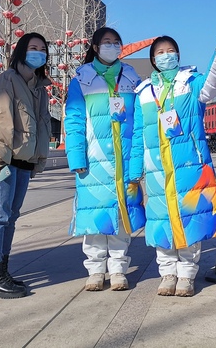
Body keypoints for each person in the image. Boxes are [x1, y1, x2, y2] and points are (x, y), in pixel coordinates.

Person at [132, 32, 216, 297]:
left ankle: (187, 275)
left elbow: (214, 83)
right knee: (161, 222)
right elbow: (137, 133)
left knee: (190, 222)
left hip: (189, 166)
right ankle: (167, 273)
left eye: (170, 50)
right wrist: (134, 170)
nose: (166, 55)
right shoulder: (143, 92)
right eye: (160, 52)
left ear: (178, 55)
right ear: (153, 59)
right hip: (157, 171)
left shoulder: (191, 82)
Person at [64, 27, 145, 292]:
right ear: (96, 47)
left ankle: (119, 268)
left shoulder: (132, 78)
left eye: (116, 42)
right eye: (106, 42)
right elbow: (74, 119)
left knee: (122, 216)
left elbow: (140, 123)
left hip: (125, 158)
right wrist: (76, 156)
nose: (112, 46)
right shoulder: (81, 79)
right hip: (94, 159)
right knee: (95, 216)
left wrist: (137, 162)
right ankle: (96, 269)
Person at [0, 32, 51, 299]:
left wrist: (37, 159)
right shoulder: (7, 81)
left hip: (22, 162)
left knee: (12, 216)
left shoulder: (38, 87)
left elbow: (40, 126)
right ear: (20, 51)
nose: (38, 52)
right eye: (33, 47)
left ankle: (2, 271)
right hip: (4, 162)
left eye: (42, 49)